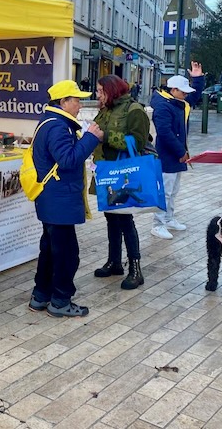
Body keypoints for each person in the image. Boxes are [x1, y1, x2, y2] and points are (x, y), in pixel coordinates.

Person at [27, 80, 103, 317]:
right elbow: (68, 160)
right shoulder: (58, 127)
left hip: (52, 199)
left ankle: (41, 296)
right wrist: (90, 138)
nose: (80, 105)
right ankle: (60, 301)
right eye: (76, 100)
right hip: (58, 199)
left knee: (50, 249)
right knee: (66, 254)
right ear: (63, 102)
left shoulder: (52, 122)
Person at [91, 74, 150, 290]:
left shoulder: (134, 110)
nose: (98, 95)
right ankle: (114, 261)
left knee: (125, 219)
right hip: (105, 171)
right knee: (111, 217)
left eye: (101, 91)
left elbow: (138, 142)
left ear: (112, 90)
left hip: (123, 173)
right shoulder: (106, 109)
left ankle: (135, 268)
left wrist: (105, 136)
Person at [149, 63, 205, 239]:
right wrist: (181, 152)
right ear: (173, 90)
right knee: (165, 191)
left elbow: (194, 96)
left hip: (175, 154)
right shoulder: (164, 106)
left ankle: (168, 218)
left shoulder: (177, 102)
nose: (186, 95)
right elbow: (165, 132)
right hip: (167, 155)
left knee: (173, 191)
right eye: (183, 92)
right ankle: (158, 224)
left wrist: (198, 79)